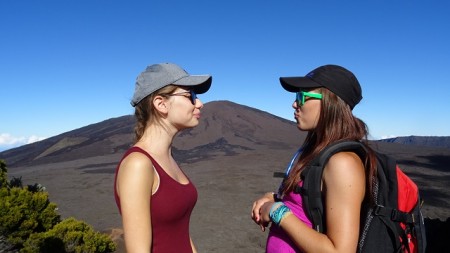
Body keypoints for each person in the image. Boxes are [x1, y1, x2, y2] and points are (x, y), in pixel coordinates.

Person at [251, 64, 377, 253]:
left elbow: (339, 251)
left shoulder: (343, 163)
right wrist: (275, 198)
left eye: (302, 96)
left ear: (329, 102)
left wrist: (277, 211)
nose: (295, 103)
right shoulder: (315, 152)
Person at [114, 63, 212, 253]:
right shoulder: (138, 164)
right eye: (190, 96)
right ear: (161, 104)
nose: (199, 103)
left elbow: (181, 231)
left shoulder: (166, 157)